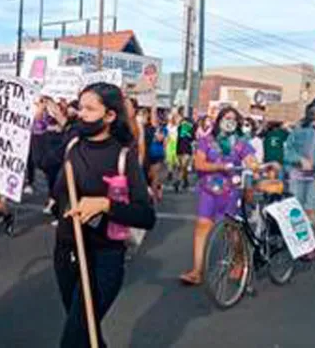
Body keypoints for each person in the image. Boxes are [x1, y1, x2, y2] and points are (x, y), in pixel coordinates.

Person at [54, 83, 156, 348]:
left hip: (104, 257)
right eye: (80, 107)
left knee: (74, 338)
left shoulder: (124, 156)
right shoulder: (72, 145)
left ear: (109, 116)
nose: (81, 114)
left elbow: (146, 216)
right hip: (67, 251)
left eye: (90, 109)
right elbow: (55, 188)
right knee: (86, 332)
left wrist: (105, 204)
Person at [180, 106, 257, 286]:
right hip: (209, 190)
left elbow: (250, 161)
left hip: (231, 192)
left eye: (233, 118)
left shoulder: (241, 143)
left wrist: (253, 165)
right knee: (201, 226)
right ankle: (197, 270)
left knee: (232, 230)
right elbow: (199, 163)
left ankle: (239, 260)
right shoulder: (206, 141)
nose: (229, 121)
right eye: (226, 117)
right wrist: (219, 167)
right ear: (219, 120)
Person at [175, 112, 195, 193]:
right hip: (179, 149)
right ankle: (186, 181)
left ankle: (178, 182)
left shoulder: (191, 129)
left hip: (187, 150)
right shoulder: (180, 128)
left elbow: (193, 139)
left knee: (183, 166)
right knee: (182, 167)